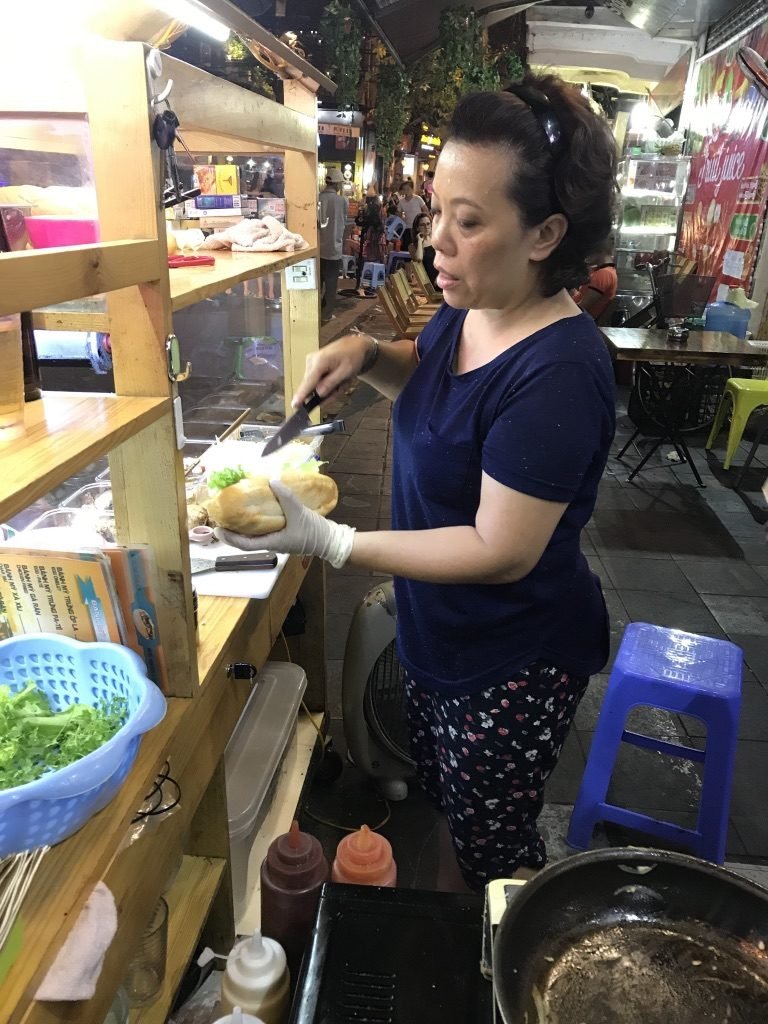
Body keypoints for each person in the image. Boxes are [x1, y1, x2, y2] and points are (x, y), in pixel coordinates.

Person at [219, 74, 617, 891]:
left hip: (510, 661)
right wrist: (368, 358)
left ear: (544, 233)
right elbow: (435, 391)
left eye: (468, 223)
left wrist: (332, 540)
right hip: (439, 636)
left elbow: (500, 549)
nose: (436, 239)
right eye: (438, 211)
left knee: (493, 850)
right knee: (446, 809)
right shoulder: (472, 307)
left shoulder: (559, 372)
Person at [318, 168, 348, 324]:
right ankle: (326, 314)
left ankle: (315, 312)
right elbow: (344, 222)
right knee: (331, 284)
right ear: (337, 184)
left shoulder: (317, 198)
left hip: (317, 249)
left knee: (317, 283)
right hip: (333, 249)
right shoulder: (342, 201)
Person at [574, 235, 617, 321]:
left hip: (579, 322)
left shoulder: (604, 274)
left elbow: (583, 307)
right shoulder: (604, 271)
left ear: (598, 251)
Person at [355, 187, 386, 297]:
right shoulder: (376, 208)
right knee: (372, 259)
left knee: (371, 259)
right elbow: (360, 221)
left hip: (374, 238)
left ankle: (370, 285)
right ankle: (370, 285)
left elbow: (373, 222)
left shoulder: (375, 208)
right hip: (373, 237)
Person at [409, 212, 439, 289]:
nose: (426, 227)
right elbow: (418, 259)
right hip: (432, 282)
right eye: (422, 225)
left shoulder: (437, 240)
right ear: (417, 228)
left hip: (443, 276)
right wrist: (419, 241)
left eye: (428, 223)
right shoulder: (413, 246)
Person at [397, 181, 429, 250]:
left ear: (412, 190)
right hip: (407, 228)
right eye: (404, 189)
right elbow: (399, 217)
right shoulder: (401, 202)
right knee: (407, 246)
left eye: (408, 189)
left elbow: (426, 211)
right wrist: (402, 218)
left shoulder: (418, 199)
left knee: (419, 246)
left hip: (418, 227)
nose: (406, 191)